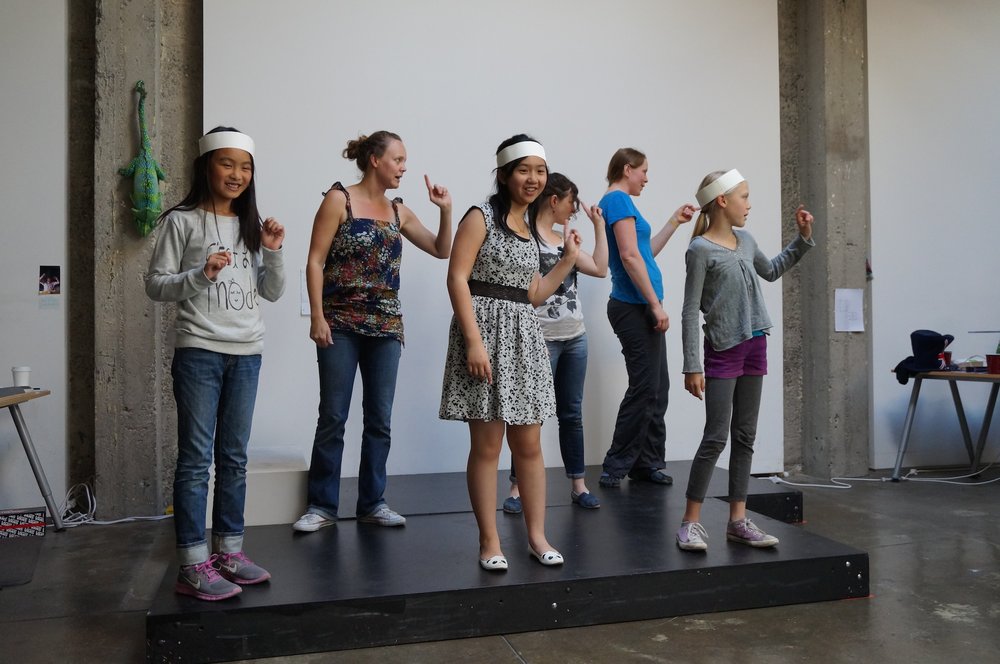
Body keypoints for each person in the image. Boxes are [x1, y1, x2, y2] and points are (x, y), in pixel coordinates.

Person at [146, 127, 286, 600]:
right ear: (206, 166)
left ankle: (229, 551)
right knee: (195, 461)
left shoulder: (253, 223)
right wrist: (200, 274)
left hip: (247, 353)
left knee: (234, 459)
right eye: (227, 164)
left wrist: (273, 250)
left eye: (245, 167)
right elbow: (155, 285)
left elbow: (271, 290)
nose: (237, 174)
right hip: (199, 352)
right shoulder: (180, 221)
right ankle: (191, 562)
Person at [293, 131, 452, 533]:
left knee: (379, 419)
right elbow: (314, 261)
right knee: (333, 416)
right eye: (398, 159)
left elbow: (441, 249)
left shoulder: (399, 212)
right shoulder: (338, 200)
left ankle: (373, 503)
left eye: (405, 160)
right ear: (375, 160)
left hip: (386, 326)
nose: (404, 167)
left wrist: (445, 209)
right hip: (340, 323)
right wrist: (316, 315)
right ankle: (321, 506)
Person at [440, 134, 581, 571]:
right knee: (487, 446)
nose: (533, 179)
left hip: (524, 338)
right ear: (503, 175)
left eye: (540, 171)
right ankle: (489, 541)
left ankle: (537, 536)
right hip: (483, 334)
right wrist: (474, 341)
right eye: (524, 170)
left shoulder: (528, 228)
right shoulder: (481, 216)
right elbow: (457, 278)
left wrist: (567, 260)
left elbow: (532, 293)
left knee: (531, 445)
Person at [675, 169, 815, 552]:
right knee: (716, 435)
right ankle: (690, 522)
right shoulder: (700, 250)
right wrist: (692, 365)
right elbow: (689, 311)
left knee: (745, 435)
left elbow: (772, 271)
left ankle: (738, 520)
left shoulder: (747, 240)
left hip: (755, 345)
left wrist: (802, 239)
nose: (749, 205)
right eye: (744, 197)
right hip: (722, 349)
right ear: (722, 201)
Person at [502, 173, 607, 514]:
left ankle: (578, 484)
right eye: (571, 204)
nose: (574, 211)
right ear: (554, 200)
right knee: (529, 415)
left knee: (571, 413)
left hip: (575, 337)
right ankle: (517, 489)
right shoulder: (526, 239)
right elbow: (529, 294)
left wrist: (598, 227)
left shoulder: (565, 239)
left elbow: (601, 268)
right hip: (539, 339)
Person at [597, 148, 697, 489]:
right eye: (643, 172)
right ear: (628, 169)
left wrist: (673, 222)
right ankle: (616, 464)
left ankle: (647, 463)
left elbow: (643, 253)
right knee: (644, 387)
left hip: (641, 305)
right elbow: (627, 256)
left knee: (657, 387)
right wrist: (654, 304)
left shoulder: (620, 203)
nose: (646, 178)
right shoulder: (618, 201)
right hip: (633, 307)